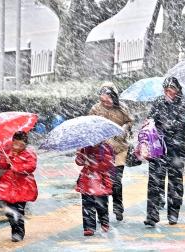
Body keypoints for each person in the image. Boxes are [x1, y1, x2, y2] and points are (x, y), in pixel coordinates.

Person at [144, 76, 185, 227]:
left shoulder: (184, 103)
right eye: (165, 90)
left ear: (177, 90)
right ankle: (152, 215)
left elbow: (184, 124)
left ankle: (173, 213)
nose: (168, 92)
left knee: (175, 182)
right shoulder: (158, 102)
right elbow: (151, 121)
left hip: (176, 148)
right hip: (158, 148)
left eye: (170, 89)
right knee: (154, 182)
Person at [89, 82, 133, 221]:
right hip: (101, 152)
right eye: (102, 100)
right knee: (101, 183)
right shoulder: (96, 109)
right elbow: (89, 125)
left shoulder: (122, 108)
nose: (105, 102)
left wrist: (124, 128)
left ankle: (118, 207)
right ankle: (103, 213)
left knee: (116, 182)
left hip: (119, 150)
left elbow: (130, 121)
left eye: (108, 99)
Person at [0, 131, 38, 242]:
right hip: (9, 186)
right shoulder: (8, 151)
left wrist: (15, 165)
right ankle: (14, 229)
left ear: (25, 145)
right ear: (12, 142)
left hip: (23, 186)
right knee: (9, 211)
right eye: (15, 144)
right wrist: (6, 160)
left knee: (18, 211)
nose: (17, 147)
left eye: (21, 145)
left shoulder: (29, 154)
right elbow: (1, 165)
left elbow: (31, 166)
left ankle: (18, 233)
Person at [75, 142, 114, 236]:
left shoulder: (106, 148)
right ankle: (89, 227)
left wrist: (93, 163)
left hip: (101, 180)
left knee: (102, 205)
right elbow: (79, 162)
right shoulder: (85, 147)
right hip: (87, 180)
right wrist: (79, 155)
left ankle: (104, 221)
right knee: (87, 204)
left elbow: (108, 164)